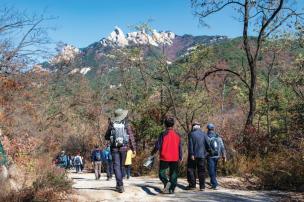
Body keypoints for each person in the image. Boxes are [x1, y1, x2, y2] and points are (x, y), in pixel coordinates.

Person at [105, 108, 136, 193]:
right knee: (121, 166)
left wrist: (111, 135)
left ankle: (120, 184)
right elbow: (131, 137)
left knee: (116, 166)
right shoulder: (126, 124)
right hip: (124, 148)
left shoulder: (112, 124)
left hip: (114, 148)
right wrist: (134, 149)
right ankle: (119, 183)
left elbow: (106, 137)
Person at [151, 117, 183, 194]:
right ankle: (171, 189)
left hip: (164, 157)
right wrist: (180, 156)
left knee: (161, 173)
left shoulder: (163, 134)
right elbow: (180, 147)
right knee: (174, 174)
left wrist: (153, 152)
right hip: (175, 157)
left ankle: (166, 183)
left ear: (165, 125)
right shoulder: (177, 134)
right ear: (173, 125)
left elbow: (158, 145)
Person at [186, 122, 210, 191]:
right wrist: (206, 153)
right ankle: (202, 187)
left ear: (193, 127)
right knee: (202, 171)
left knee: (191, 169)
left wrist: (191, 154)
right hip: (202, 156)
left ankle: (192, 185)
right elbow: (208, 145)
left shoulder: (191, 134)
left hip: (193, 156)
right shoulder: (204, 134)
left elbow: (191, 145)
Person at [206, 123, 227, 190]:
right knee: (214, 169)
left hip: (210, 156)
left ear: (208, 129)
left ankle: (215, 184)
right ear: (213, 128)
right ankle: (213, 181)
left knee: (211, 170)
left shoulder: (206, 136)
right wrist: (224, 155)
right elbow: (222, 147)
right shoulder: (218, 137)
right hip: (217, 155)